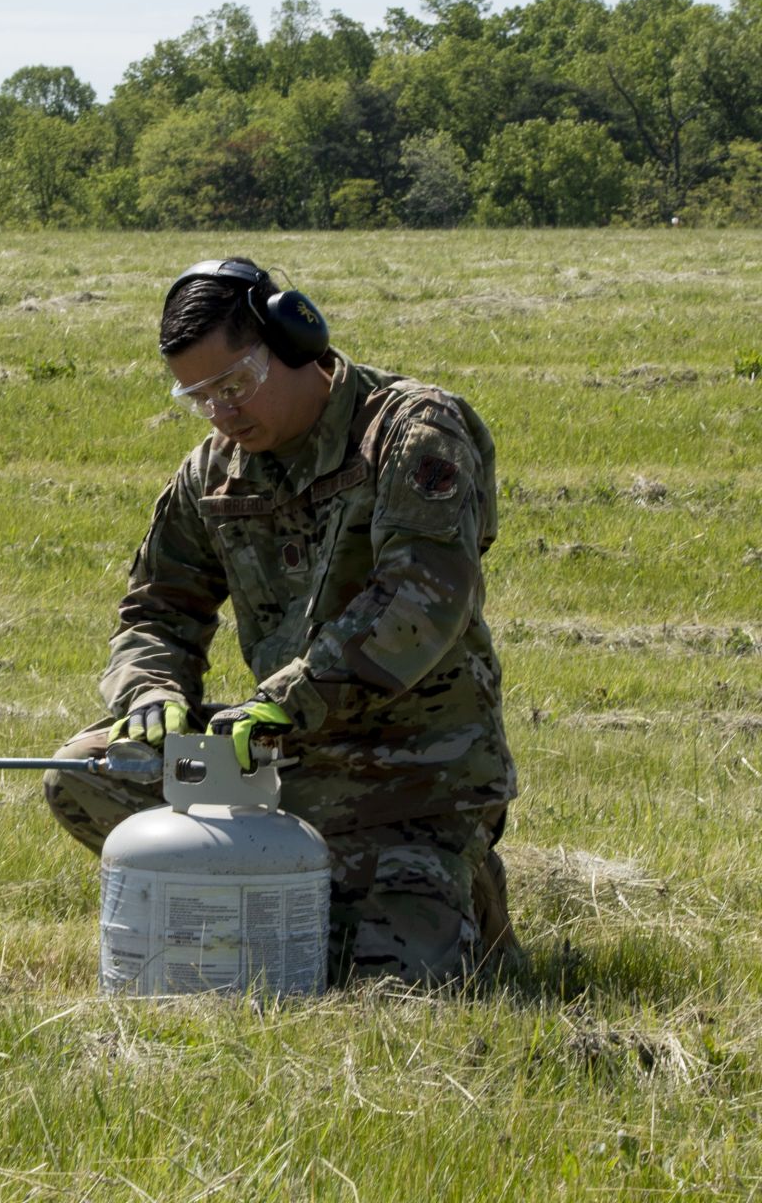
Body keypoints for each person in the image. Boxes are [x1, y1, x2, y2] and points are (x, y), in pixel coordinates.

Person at [45, 258, 518, 985]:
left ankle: (454, 884)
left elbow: (422, 598)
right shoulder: (213, 471)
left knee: (396, 987)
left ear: (296, 337)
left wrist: (287, 702)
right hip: (277, 765)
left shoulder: (412, 431)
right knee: (85, 771)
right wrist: (151, 697)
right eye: (199, 397)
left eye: (234, 384)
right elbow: (157, 608)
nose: (223, 412)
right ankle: (281, 890)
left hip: (417, 777)